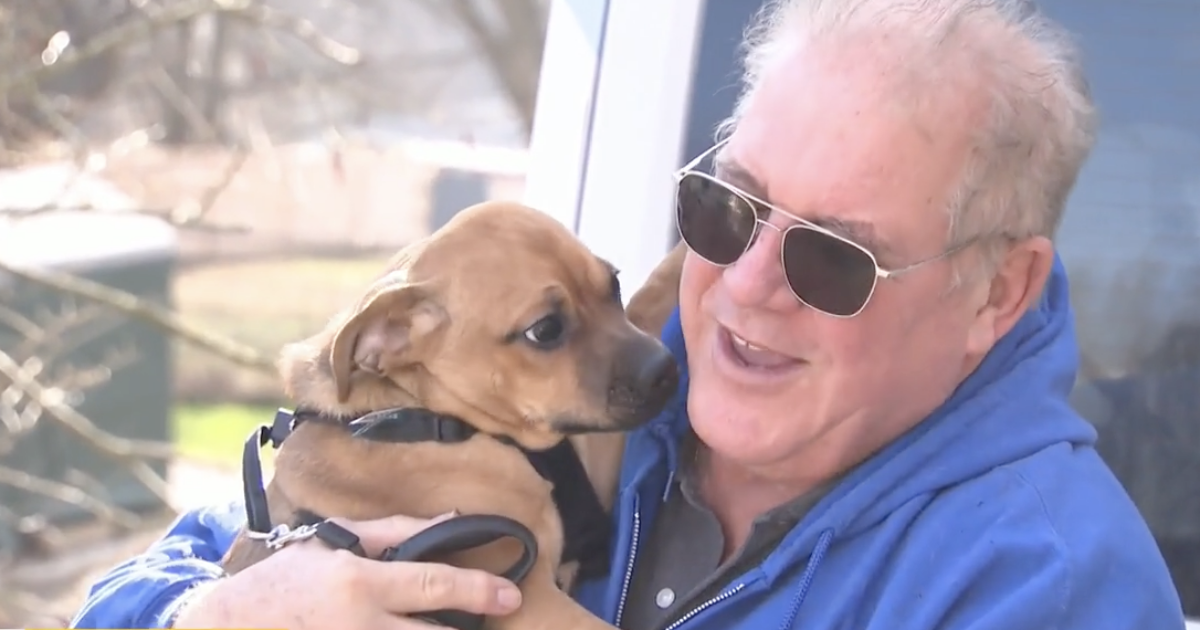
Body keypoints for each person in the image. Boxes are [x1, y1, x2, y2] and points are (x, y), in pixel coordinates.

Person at [71, 0, 1187, 628]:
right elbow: (137, 589)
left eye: (835, 259)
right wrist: (215, 620)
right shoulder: (600, 395)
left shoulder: (1049, 583)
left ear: (997, 291)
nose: (746, 285)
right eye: (726, 206)